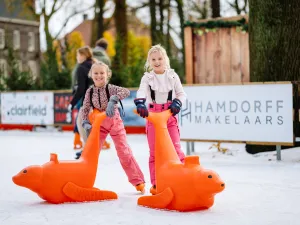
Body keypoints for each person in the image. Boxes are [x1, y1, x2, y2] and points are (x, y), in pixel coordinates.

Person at [81, 61, 146, 193]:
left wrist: (114, 99)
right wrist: (85, 122)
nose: (99, 76)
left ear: (107, 74)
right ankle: (83, 180)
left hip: (114, 122)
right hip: (99, 124)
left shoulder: (110, 88)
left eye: (102, 73)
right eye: (96, 73)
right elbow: (86, 107)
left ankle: (138, 181)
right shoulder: (90, 91)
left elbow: (126, 91)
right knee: (91, 152)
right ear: (91, 75)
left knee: (123, 152)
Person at [134, 44, 187, 195]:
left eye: (160, 58)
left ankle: (183, 178)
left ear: (165, 59)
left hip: (170, 115)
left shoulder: (172, 75)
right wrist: (140, 102)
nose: (157, 61)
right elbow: (141, 91)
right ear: (149, 62)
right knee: (155, 152)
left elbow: (182, 94)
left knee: (176, 148)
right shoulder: (147, 77)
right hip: (154, 116)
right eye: (153, 59)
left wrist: (178, 102)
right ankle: (156, 183)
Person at [68, 46, 94, 159]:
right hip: (98, 100)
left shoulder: (81, 68)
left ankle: (88, 149)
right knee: (89, 125)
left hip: (88, 101)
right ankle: (89, 148)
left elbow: (81, 88)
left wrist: (72, 103)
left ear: (83, 55)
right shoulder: (94, 64)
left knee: (80, 122)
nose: (77, 58)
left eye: (78, 55)